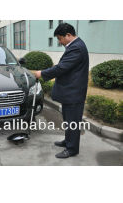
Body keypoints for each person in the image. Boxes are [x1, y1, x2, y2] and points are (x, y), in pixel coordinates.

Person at [34, 23, 89, 158]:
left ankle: (72, 149)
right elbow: (65, 67)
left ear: (68, 35)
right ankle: (68, 141)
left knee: (73, 122)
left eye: (60, 38)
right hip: (70, 93)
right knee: (68, 120)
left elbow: (62, 68)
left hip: (74, 93)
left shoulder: (76, 48)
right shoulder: (75, 46)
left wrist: (42, 73)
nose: (59, 42)